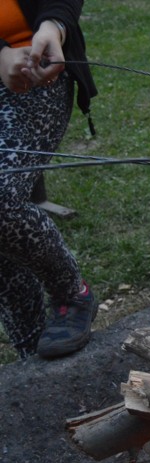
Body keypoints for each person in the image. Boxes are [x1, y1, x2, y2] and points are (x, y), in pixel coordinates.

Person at [0, 0, 99, 360]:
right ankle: (31, 346)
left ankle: (71, 293)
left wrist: (53, 27)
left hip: (37, 75)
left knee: (1, 198)